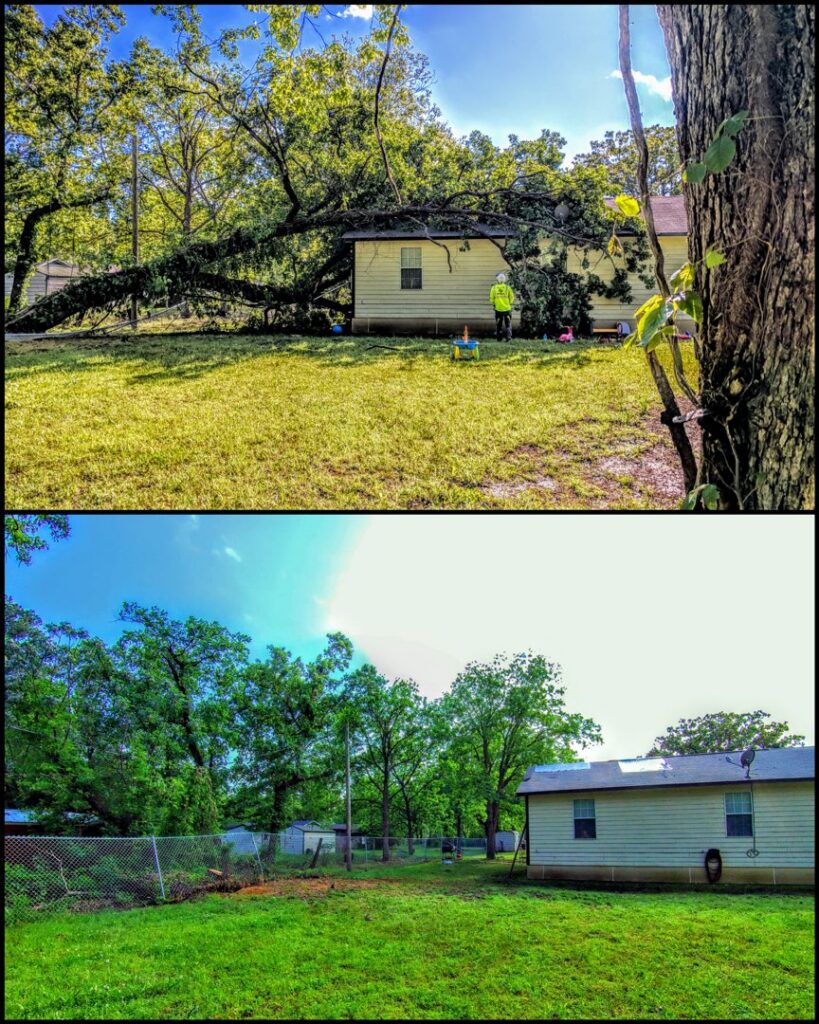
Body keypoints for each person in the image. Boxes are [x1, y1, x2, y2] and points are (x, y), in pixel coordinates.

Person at [489, 272, 515, 341]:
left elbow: (491, 299)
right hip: (507, 310)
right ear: (504, 279)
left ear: (497, 280)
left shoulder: (494, 288)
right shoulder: (507, 288)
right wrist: (508, 303)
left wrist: (495, 304)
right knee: (508, 324)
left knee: (499, 325)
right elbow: (512, 298)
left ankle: (499, 338)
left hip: (498, 310)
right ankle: (508, 337)